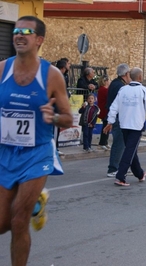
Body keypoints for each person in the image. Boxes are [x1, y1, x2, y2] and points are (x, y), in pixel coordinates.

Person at [0, 16, 73, 266]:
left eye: (26, 31)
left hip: (36, 154)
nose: (19, 34)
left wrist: (53, 118)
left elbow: (67, 118)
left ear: (39, 40)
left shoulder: (51, 75)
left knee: (19, 221)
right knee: (2, 224)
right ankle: (37, 203)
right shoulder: (1, 70)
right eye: (16, 30)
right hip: (5, 153)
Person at [104, 67, 146, 186]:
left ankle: (139, 173)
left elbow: (114, 107)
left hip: (124, 124)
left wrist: (110, 121)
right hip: (136, 126)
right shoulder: (143, 90)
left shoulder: (123, 90)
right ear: (140, 77)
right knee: (129, 150)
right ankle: (120, 176)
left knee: (130, 150)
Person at [105, 63, 131, 177]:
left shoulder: (116, 84)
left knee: (123, 143)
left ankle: (122, 167)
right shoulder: (119, 86)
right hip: (118, 118)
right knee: (119, 143)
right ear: (126, 74)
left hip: (118, 117)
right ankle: (112, 168)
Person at [97, 75, 111, 150]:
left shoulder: (104, 89)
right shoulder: (104, 90)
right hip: (105, 110)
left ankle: (105, 142)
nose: (110, 82)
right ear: (105, 81)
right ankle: (102, 142)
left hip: (106, 109)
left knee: (107, 126)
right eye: (109, 80)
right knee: (105, 126)